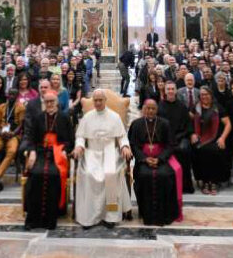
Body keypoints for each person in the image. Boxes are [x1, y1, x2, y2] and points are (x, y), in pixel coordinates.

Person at [73, 89, 133, 228]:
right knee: (88, 174)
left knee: (110, 174)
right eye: (96, 100)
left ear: (105, 101)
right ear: (93, 101)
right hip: (92, 153)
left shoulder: (115, 117)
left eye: (101, 100)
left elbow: (122, 136)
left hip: (110, 152)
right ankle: (88, 217)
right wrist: (79, 146)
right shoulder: (87, 117)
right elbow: (81, 136)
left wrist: (124, 146)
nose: (98, 103)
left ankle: (110, 216)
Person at [22, 91, 74, 230]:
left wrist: (65, 150)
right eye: (47, 102)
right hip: (40, 152)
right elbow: (31, 138)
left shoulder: (64, 117)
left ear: (57, 102)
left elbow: (70, 140)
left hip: (57, 153)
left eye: (52, 101)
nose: (49, 104)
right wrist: (32, 152)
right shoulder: (38, 117)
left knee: (54, 175)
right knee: (35, 174)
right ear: (44, 103)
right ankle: (33, 218)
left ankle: (52, 217)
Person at [129, 98, 181, 226]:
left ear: (157, 110)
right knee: (144, 175)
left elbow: (170, 145)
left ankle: (164, 213)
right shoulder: (136, 124)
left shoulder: (165, 123)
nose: (150, 111)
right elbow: (133, 145)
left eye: (153, 108)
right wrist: (144, 158)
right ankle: (145, 212)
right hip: (143, 160)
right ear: (143, 109)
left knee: (166, 175)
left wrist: (160, 158)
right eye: (148, 108)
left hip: (162, 159)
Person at [192, 87, 231, 195]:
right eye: (202, 94)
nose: (204, 96)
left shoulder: (217, 107)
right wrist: (192, 134)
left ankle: (214, 181)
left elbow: (228, 124)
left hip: (216, 138)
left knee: (214, 150)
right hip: (200, 138)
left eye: (206, 94)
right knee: (201, 150)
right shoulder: (196, 108)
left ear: (211, 95)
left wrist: (223, 138)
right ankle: (205, 181)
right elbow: (188, 120)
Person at [158, 80, 195, 194]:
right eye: (168, 89)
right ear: (165, 91)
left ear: (176, 91)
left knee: (183, 151)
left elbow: (188, 125)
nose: (170, 91)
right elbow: (158, 127)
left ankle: (184, 186)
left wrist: (179, 137)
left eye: (172, 89)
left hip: (180, 137)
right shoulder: (159, 107)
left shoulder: (182, 106)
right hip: (164, 139)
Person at [0, 88, 25, 196]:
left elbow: (21, 125)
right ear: (7, 95)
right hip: (0, 134)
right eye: (10, 94)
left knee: (12, 151)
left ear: (17, 96)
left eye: (14, 94)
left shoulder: (21, 107)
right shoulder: (1, 107)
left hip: (13, 135)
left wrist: (12, 134)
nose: (12, 96)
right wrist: (0, 133)